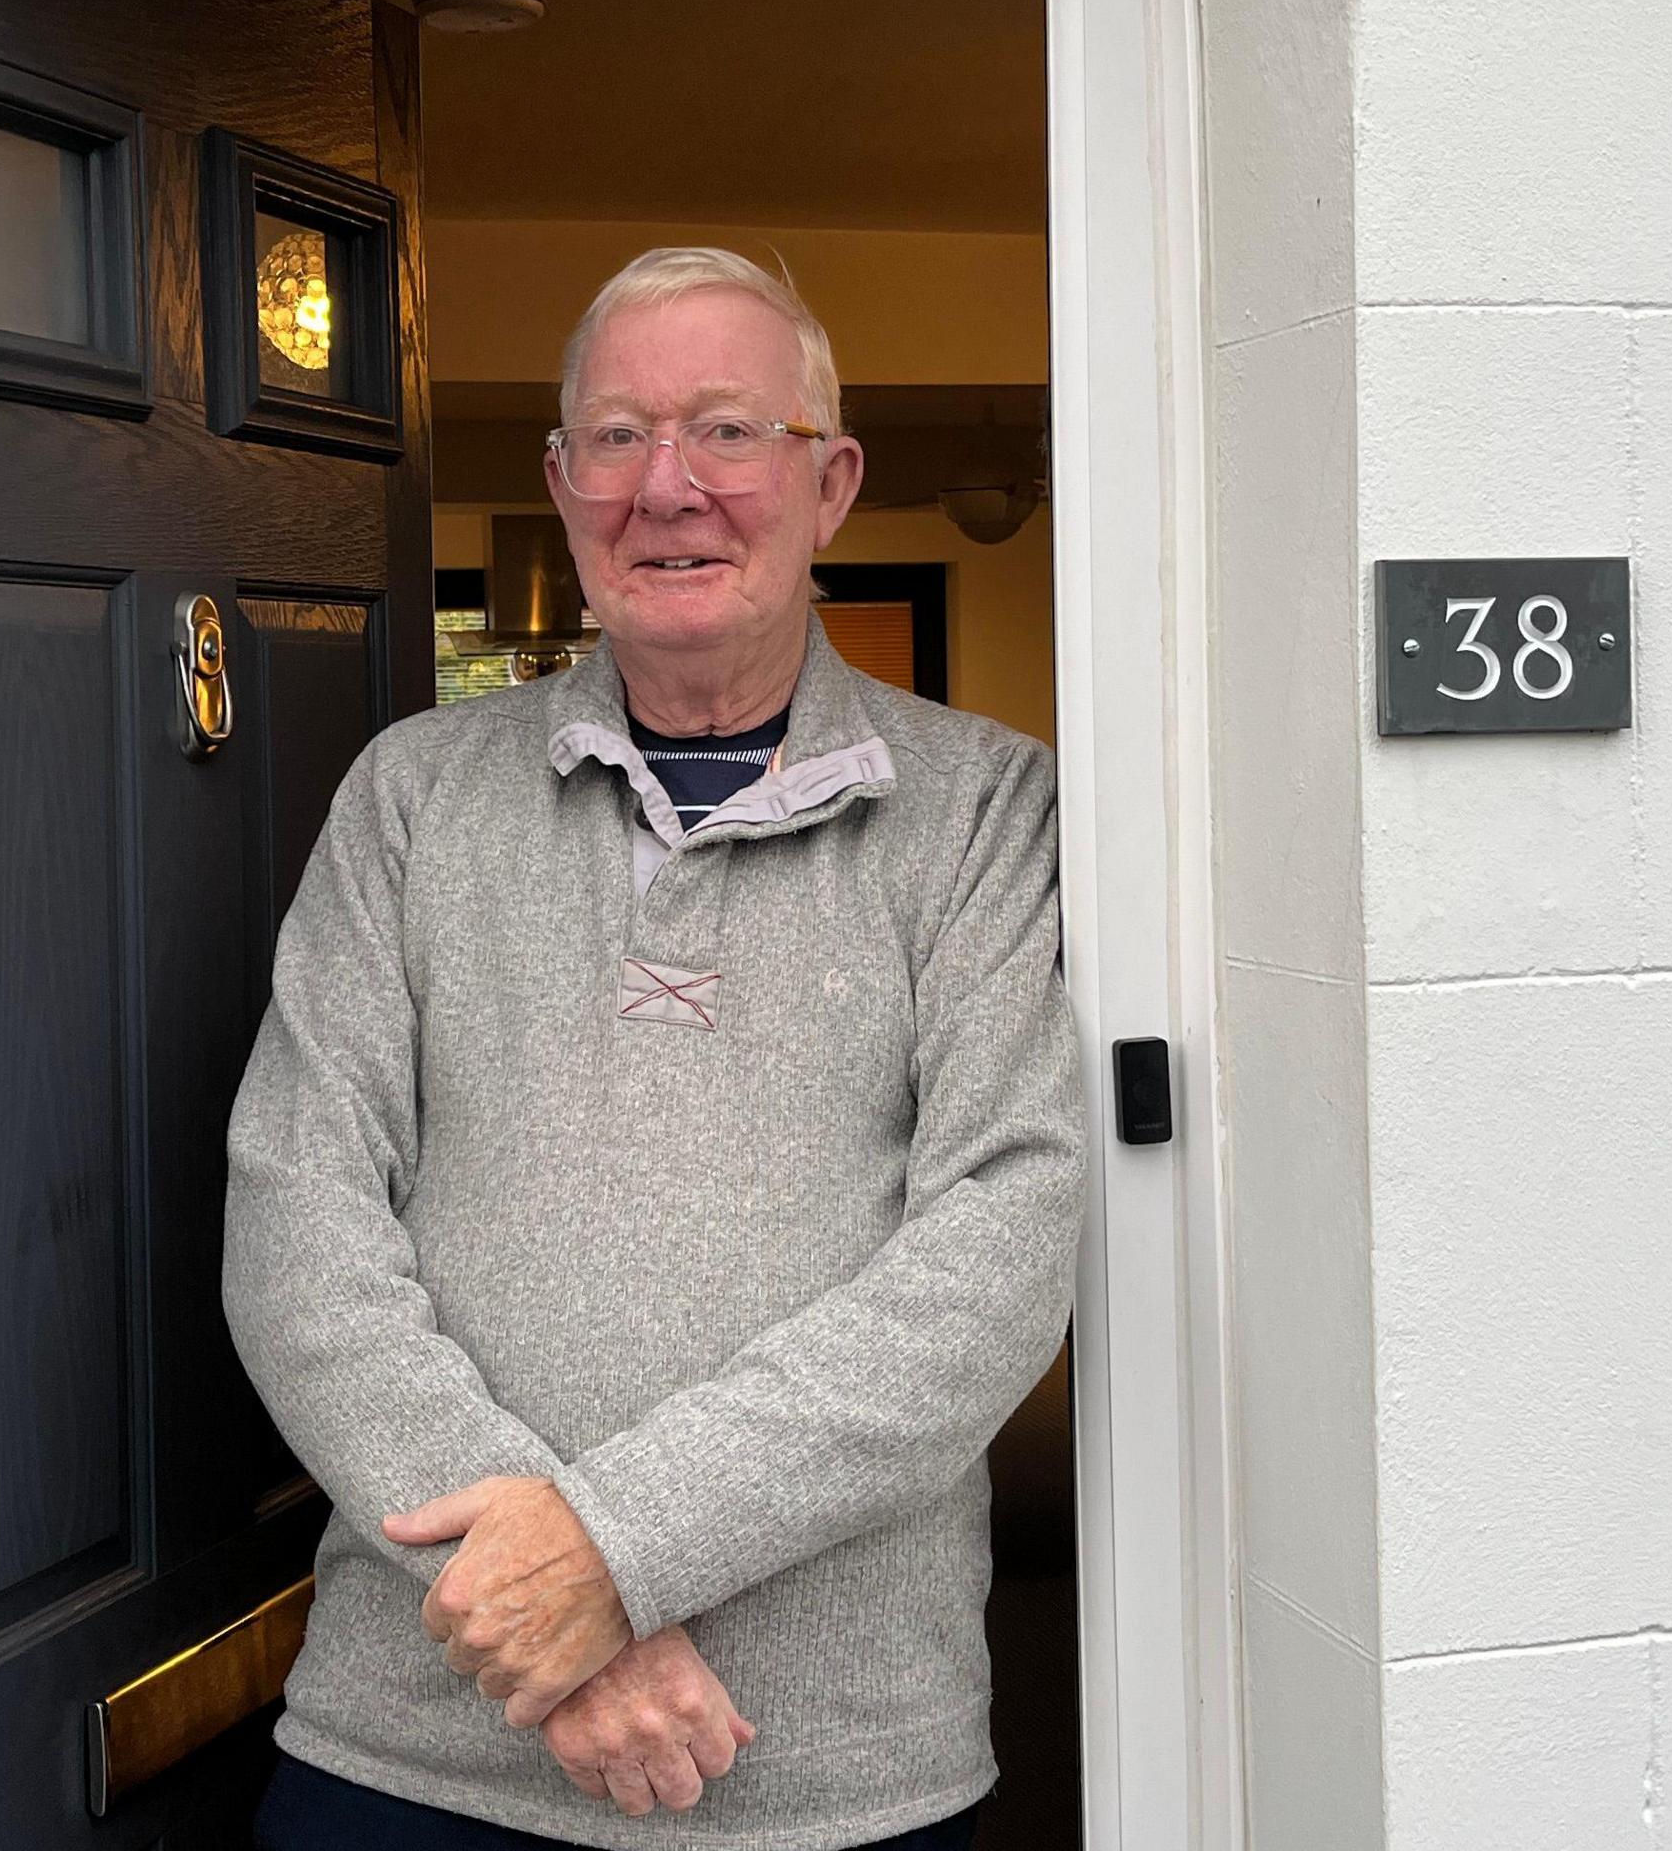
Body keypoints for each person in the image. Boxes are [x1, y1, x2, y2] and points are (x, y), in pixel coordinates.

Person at [221, 247, 1088, 1850]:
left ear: (830, 484)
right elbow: (297, 1229)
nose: (667, 488)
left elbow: (995, 1262)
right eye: (616, 437)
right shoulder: (412, 796)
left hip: (830, 1776)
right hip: (415, 1755)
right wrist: (553, 1633)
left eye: (727, 434)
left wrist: (608, 1557)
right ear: (559, 484)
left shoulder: (985, 810)